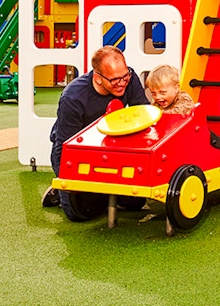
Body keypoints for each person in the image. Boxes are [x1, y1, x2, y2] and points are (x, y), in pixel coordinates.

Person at [41, 45, 150, 211]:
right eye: (114, 80)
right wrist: (64, 180)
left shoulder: (129, 78)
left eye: (125, 76)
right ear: (98, 78)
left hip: (111, 146)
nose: (122, 83)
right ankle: (61, 192)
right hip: (80, 151)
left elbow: (143, 113)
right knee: (82, 212)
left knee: (135, 203)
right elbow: (62, 145)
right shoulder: (73, 98)